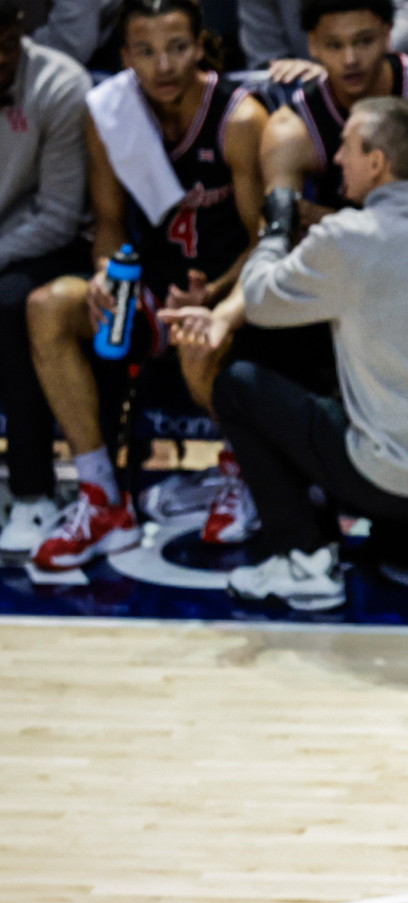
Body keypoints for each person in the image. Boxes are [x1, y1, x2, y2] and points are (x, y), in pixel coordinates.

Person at [161, 98, 408, 611]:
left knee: (239, 383)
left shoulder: (349, 237)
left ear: (377, 162)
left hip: (393, 480)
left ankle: (303, 558)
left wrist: (275, 229)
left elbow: (259, 299)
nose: (336, 161)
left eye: (347, 147)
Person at [24, 0, 267, 571]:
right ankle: (102, 497)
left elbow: (265, 243)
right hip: (155, 288)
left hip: (233, 292)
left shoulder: (240, 118)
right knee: (48, 307)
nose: (164, 65)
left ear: (202, 46)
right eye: (146, 51)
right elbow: (108, 224)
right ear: (124, 54)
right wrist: (108, 273)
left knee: (198, 330)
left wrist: (216, 297)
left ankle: (244, 471)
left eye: (177, 47)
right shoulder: (110, 111)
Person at [258, 0, 408, 231]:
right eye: (335, 45)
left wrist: (332, 219)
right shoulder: (291, 131)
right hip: (348, 267)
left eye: (364, 41)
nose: (350, 60)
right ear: (313, 45)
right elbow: (279, 240)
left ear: (387, 35)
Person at [0, 0, 90, 557]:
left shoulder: (60, 84)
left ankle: (34, 491)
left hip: (42, 242)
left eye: (7, 43)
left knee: (11, 305)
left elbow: (58, 214)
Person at [237, 0, 408, 72]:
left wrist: (335, 68)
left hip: (403, 77)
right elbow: (267, 59)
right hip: (309, 89)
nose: (349, 59)